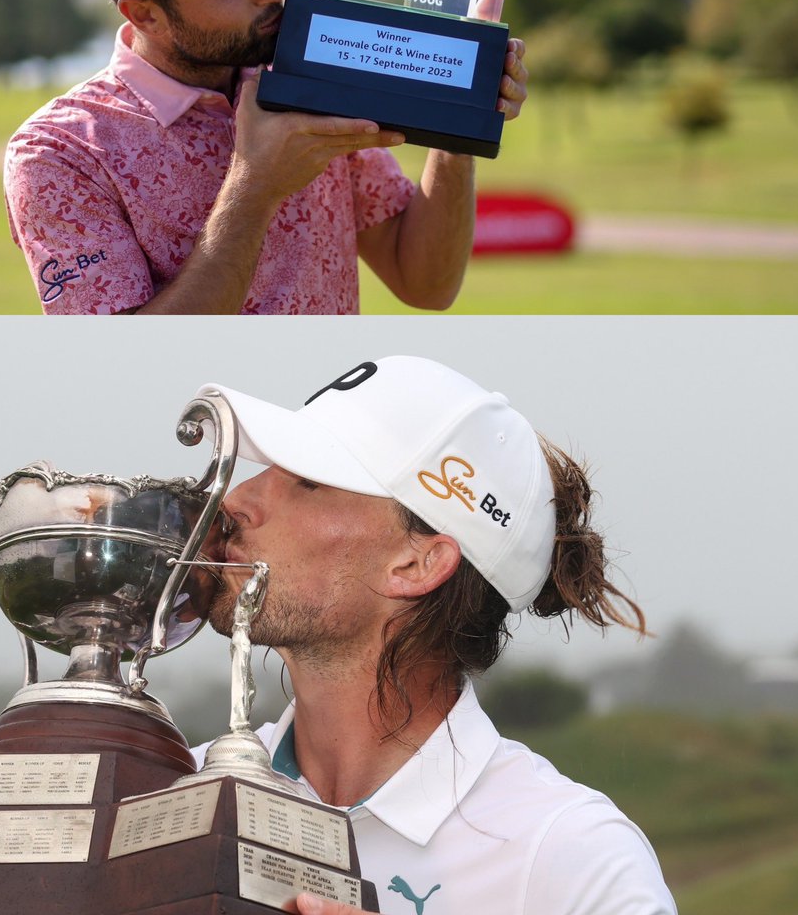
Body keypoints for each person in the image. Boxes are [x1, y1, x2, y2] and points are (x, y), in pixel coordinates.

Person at [193, 356, 677, 915]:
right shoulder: (177, 783)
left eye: (308, 481)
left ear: (417, 563)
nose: (236, 501)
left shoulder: (574, 856)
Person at [3, 0, 529, 314]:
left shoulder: (305, 68)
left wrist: (460, 119)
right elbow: (125, 369)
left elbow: (425, 284)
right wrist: (255, 188)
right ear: (145, 14)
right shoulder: (58, 154)